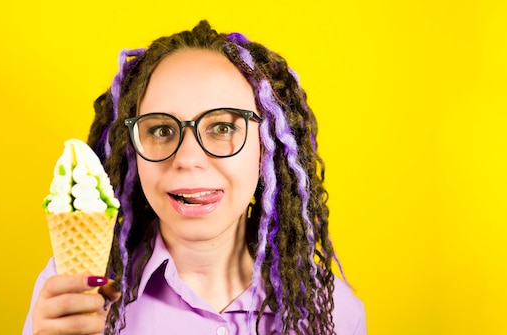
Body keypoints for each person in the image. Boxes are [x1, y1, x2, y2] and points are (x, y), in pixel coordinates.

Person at [23, 20, 366, 335]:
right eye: (160, 129)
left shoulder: (336, 313)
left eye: (222, 127)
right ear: (132, 149)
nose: (187, 158)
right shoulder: (73, 294)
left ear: (267, 147)